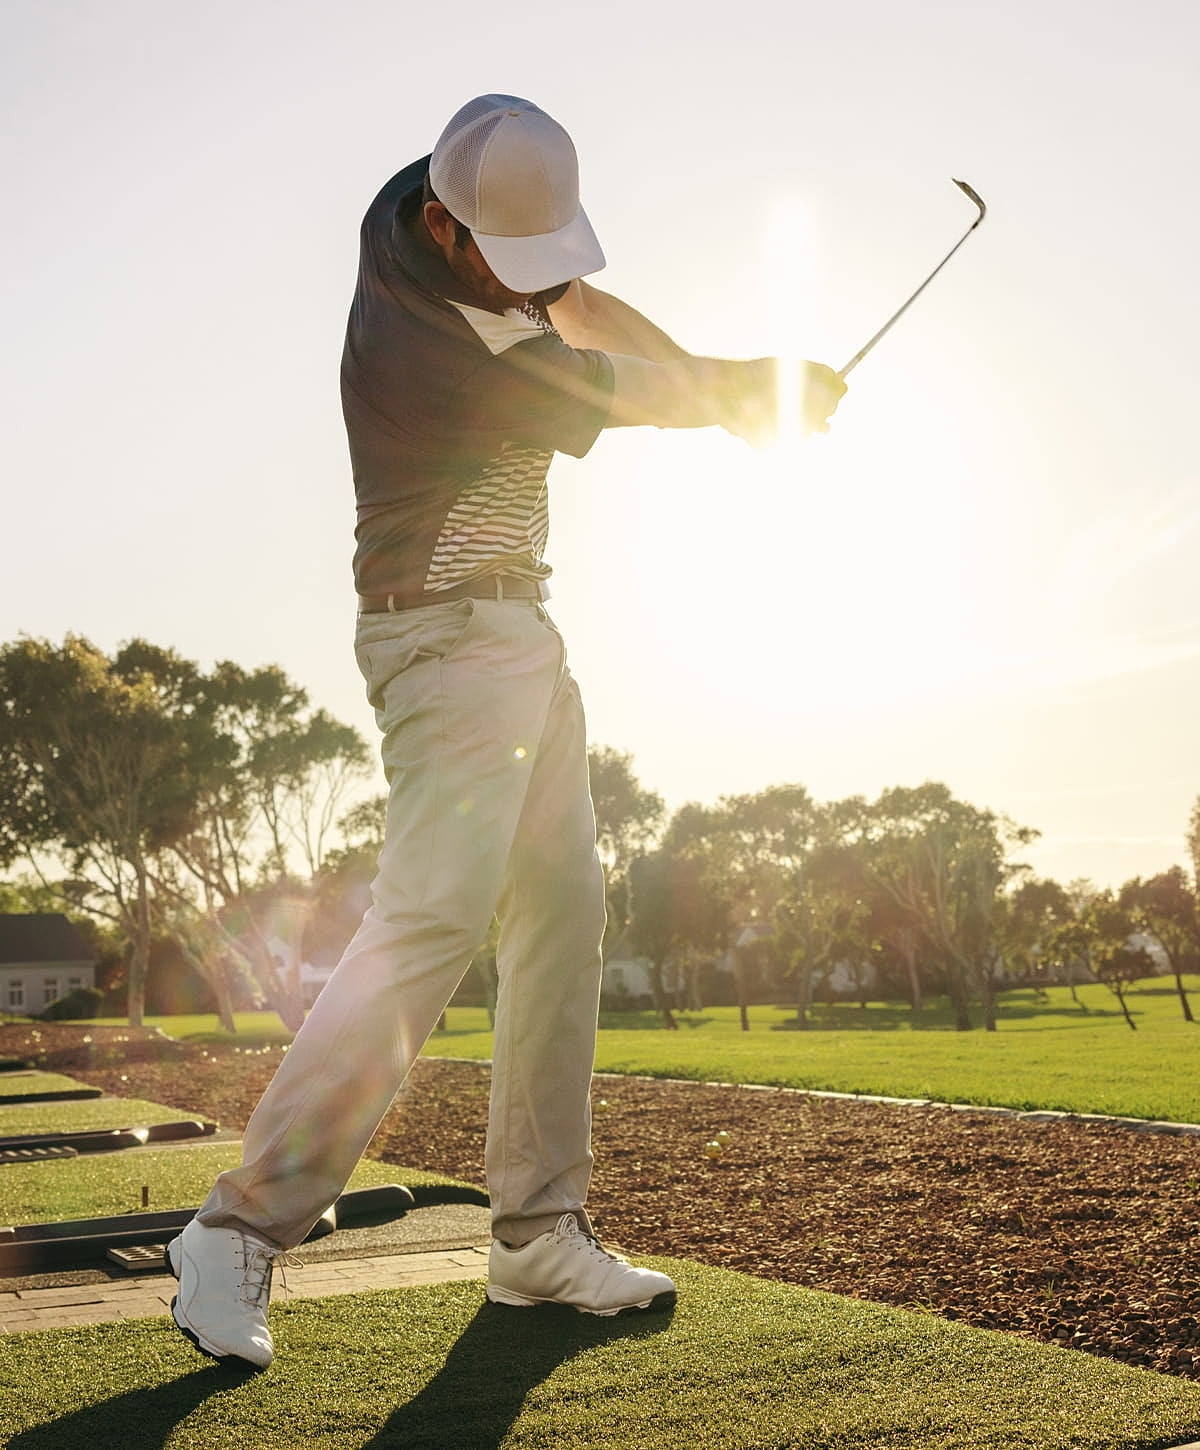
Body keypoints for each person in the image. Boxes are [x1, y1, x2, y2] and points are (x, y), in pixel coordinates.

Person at [166, 93, 846, 1370]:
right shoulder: (437, 349)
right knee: (429, 917)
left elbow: (586, 314)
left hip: (522, 639)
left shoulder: (451, 224)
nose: (536, 285)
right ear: (445, 225)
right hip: (442, 644)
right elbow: (605, 385)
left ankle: (536, 1234)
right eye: (510, 265)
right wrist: (744, 393)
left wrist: (727, 388)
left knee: (565, 913)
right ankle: (238, 1227)